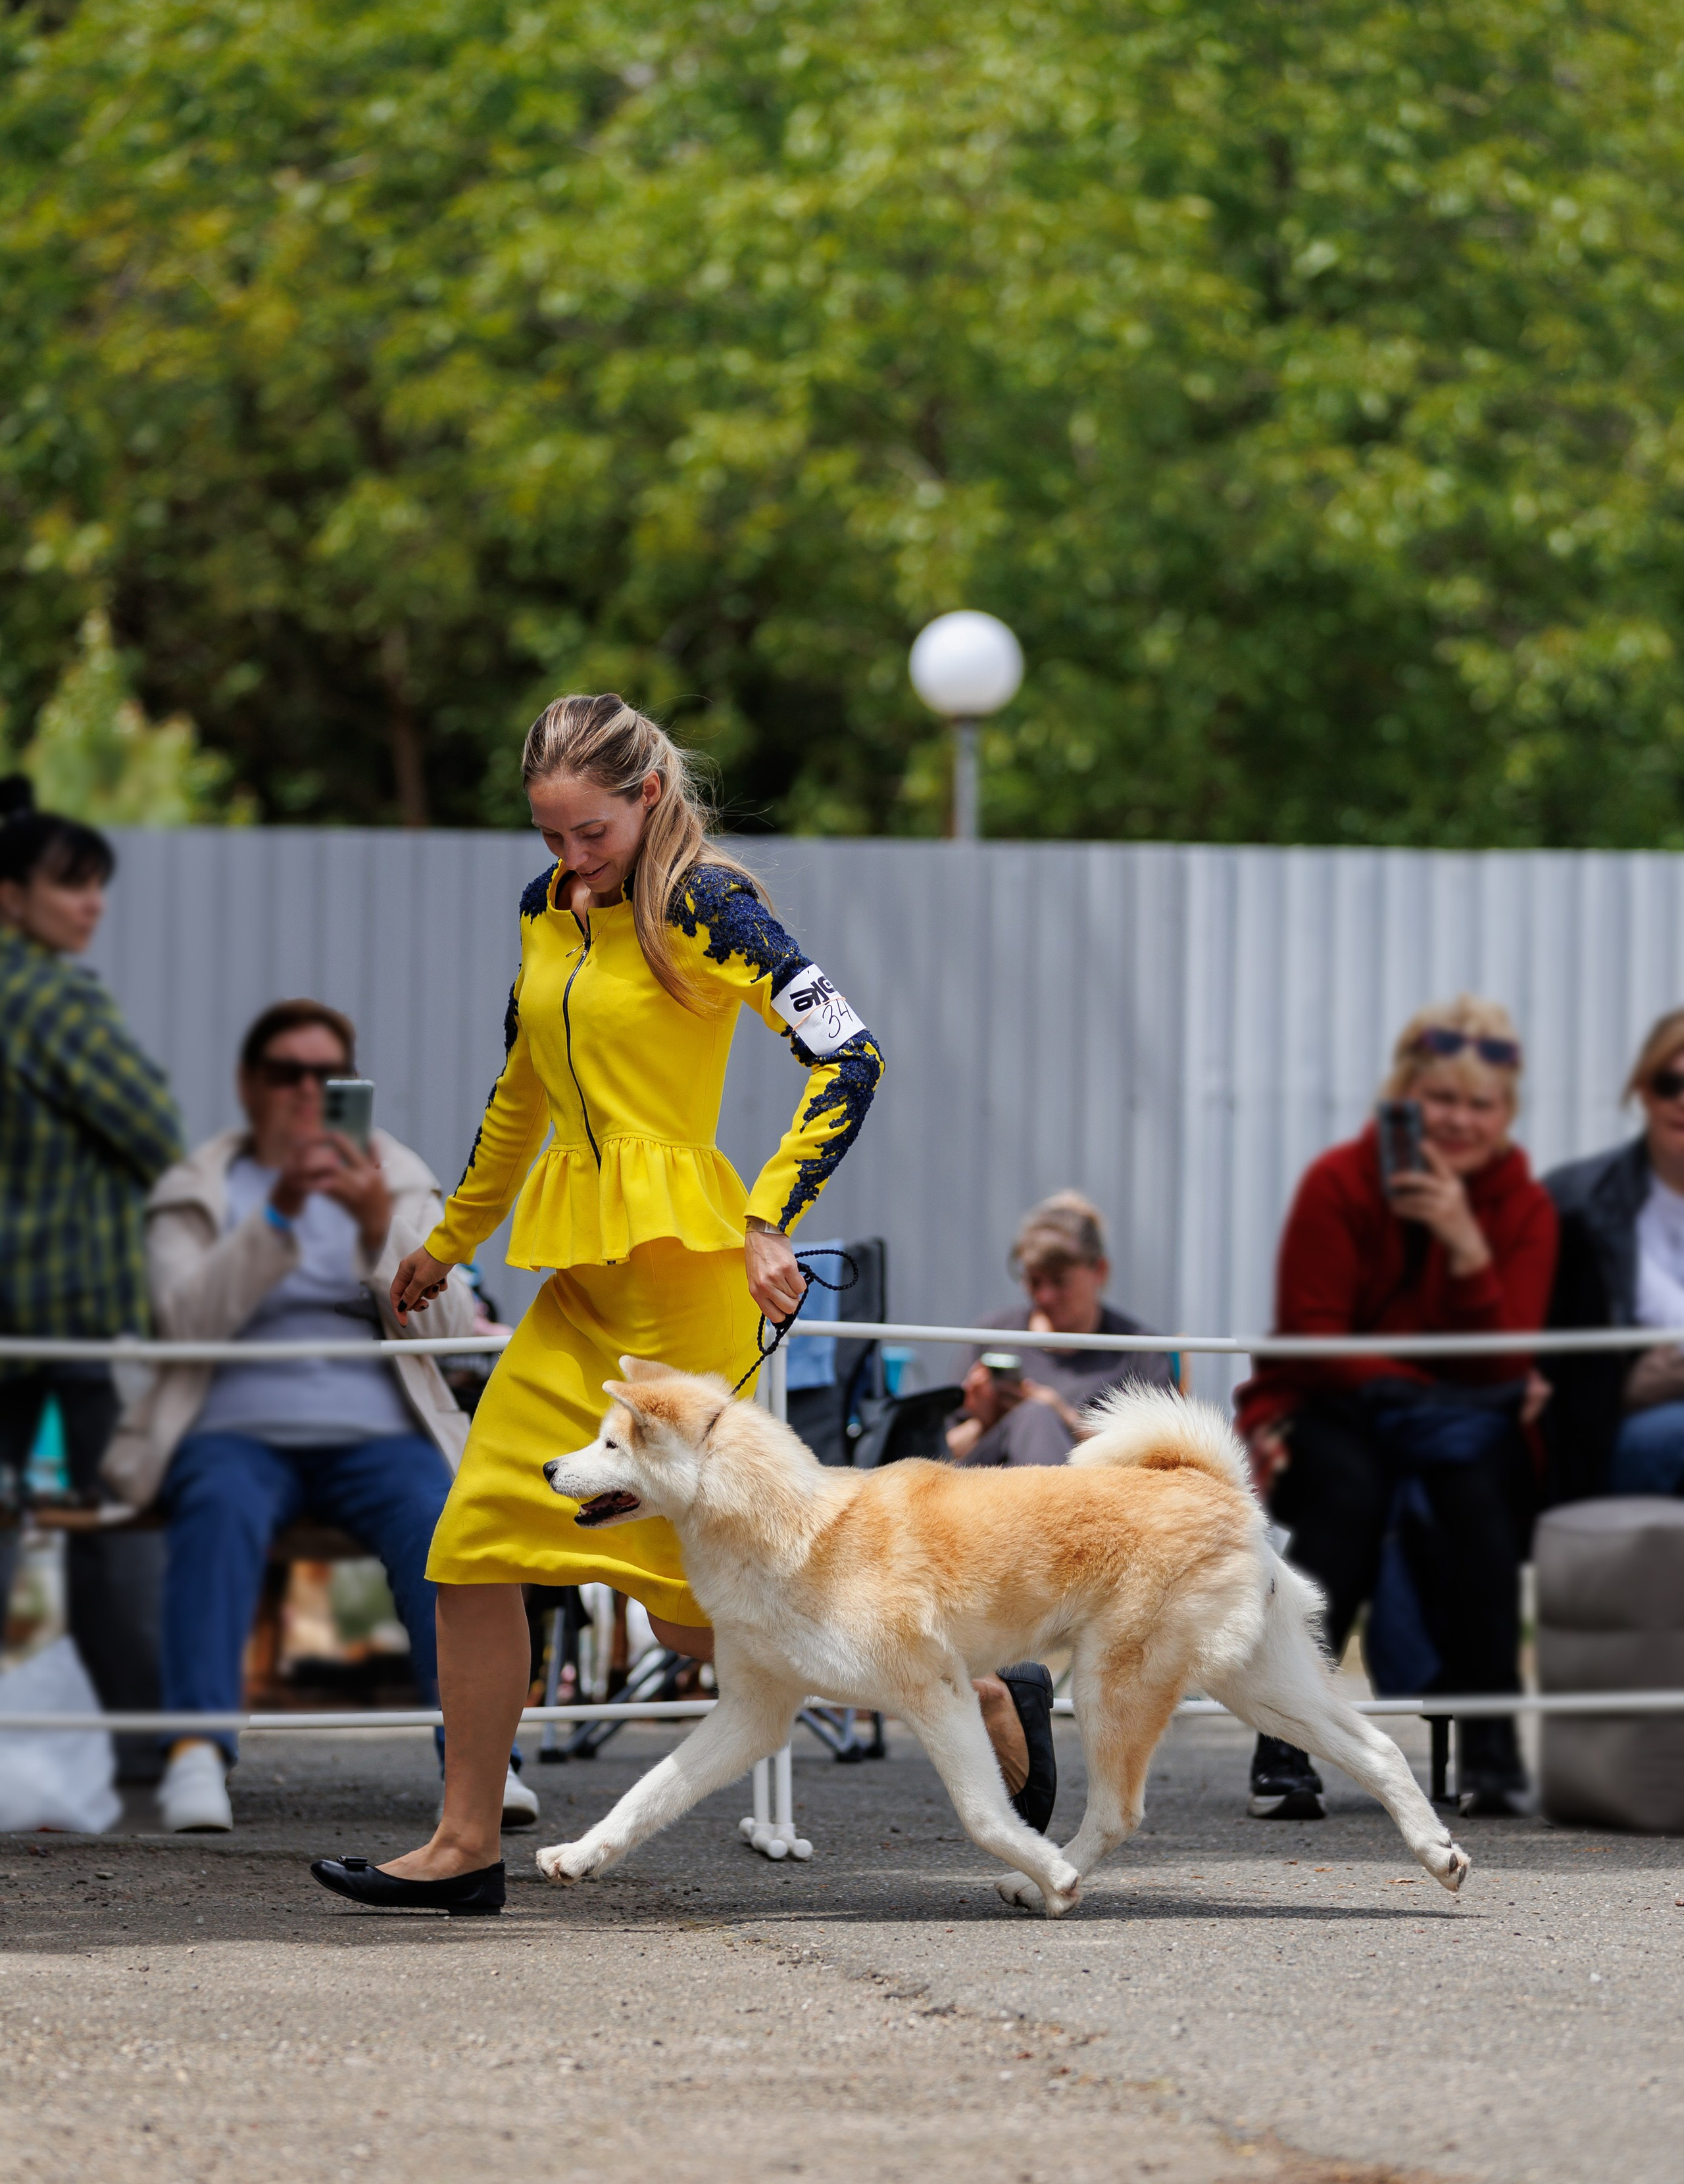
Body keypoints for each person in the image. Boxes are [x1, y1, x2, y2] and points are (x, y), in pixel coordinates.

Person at [309, 693, 1048, 1912]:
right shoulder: (551, 914)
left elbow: (848, 1052)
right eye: (550, 836)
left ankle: (965, 1683)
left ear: (647, 797)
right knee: (469, 1548)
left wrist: (770, 1214)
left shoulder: (711, 907)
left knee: (717, 1620)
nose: (570, 860)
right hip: (575, 1295)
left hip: (686, 1305)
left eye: (589, 832)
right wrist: (444, 1240)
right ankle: (464, 1845)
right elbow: (518, 1097)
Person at [103, 998, 513, 1833]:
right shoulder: (201, 1183)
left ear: (348, 1084)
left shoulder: (394, 1174)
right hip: (234, 1430)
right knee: (213, 1510)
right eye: (284, 1073)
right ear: (251, 1086)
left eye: (324, 1075)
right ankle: (196, 1752)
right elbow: (181, 1322)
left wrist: (377, 1233)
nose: (303, 1089)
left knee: (447, 1526)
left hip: (383, 1434)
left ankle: (479, 1766)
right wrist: (281, 1214)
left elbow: (452, 1331)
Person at [1235, 996, 1558, 1821]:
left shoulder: (1521, 1207)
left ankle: (1488, 1749)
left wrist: (1464, 1243)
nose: (1457, 1119)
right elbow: (1311, 1337)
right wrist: (1421, 1386)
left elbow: (1508, 1354)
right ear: (1405, 1094)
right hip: (1327, 1406)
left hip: (1463, 1421)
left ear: (1505, 1113)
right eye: (1440, 1098)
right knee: (1349, 1496)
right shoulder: (1339, 1181)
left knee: (1479, 1500)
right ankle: (1288, 1736)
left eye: (1479, 1103)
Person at [0, 777, 183, 1783]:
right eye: (70, 885)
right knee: (112, 1524)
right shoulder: (47, 996)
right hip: (54, 1313)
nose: (92, 905)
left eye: (98, 886)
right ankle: (154, 1742)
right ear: (9, 894)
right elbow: (153, 1127)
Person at [1545, 1008, 1684, 1502]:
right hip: (1613, 1427)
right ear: (1642, 1090)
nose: (1683, 1101)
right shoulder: (1573, 1200)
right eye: (1670, 1083)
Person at [948, 1192, 1175, 1466]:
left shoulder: (1140, 1350)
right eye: (1034, 1281)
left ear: (1099, 1271)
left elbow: (1162, 1460)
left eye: (1060, 1281)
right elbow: (938, 1455)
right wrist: (986, 1424)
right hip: (991, 1496)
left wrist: (1065, 1419)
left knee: (1036, 1416)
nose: (1044, 1296)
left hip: (1092, 1498)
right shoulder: (991, 1335)